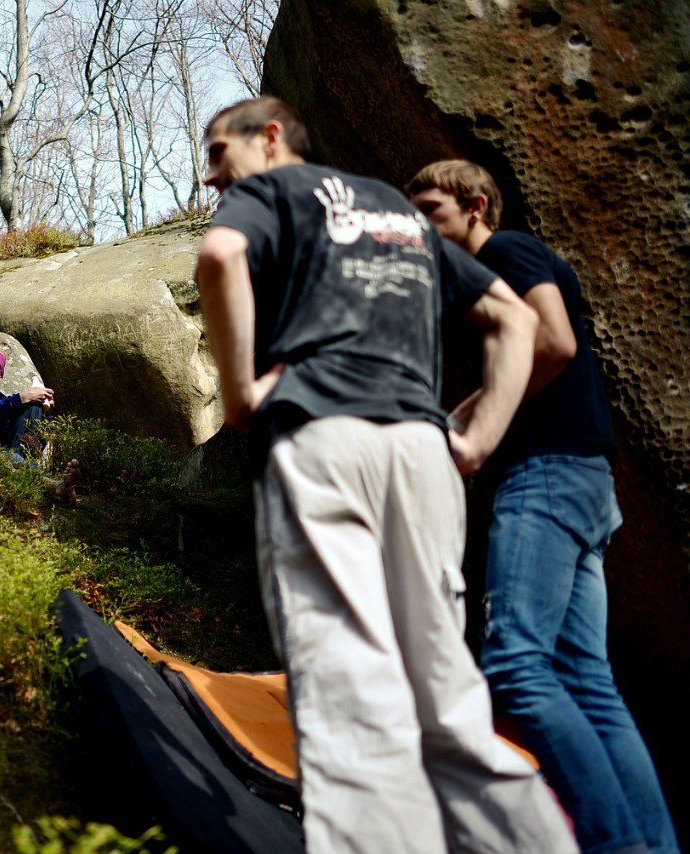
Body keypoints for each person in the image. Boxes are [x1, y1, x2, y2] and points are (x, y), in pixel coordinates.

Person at [195, 97, 577, 852]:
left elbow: (220, 257)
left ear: (271, 138)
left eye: (219, 153)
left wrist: (239, 393)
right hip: (421, 453)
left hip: (322, 438)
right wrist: (473, 440)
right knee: (447, 700)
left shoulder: (268, 192)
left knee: (349, 692)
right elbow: (518, 321)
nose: (213, 178)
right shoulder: (395, 211)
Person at [409, 160, 678, 854]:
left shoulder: (504, 252)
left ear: (474, 206)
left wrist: (472, 425)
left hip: (548, 474)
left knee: (516, 666)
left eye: (430, 211)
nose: (420, 229)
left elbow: (552, 341)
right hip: (585, 480)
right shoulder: (489, 274)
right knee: (589, 683)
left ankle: (615, 843)